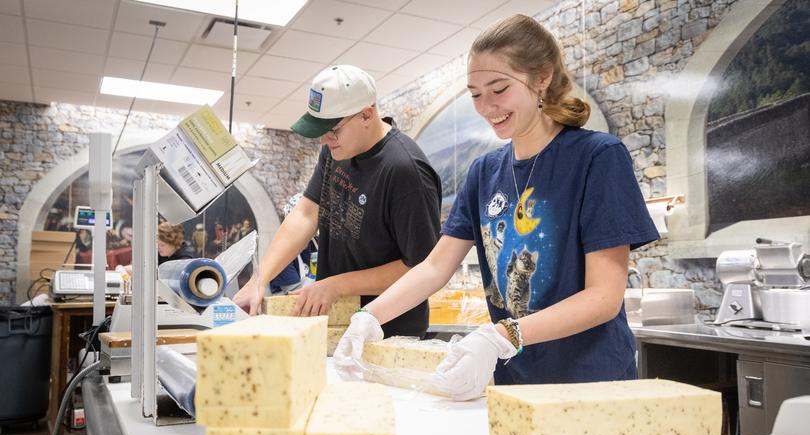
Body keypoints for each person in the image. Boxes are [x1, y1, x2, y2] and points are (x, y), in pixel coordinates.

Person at [335, 15, 659, 400]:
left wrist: (502, 335)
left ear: (541, 78)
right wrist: (369, 318)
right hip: (515, 383)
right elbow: (436, 266)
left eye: (499, 89)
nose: (487, 107)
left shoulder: (597, 158)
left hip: (590, 382)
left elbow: (604, 297)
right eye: (474, 94)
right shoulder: (485, 172)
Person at [233, 64, 442, 338]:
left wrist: (337, 285)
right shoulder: (336, 152)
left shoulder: (405, 171)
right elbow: (306, 215)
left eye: (333, 130)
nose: (324, 139)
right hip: (336, 321)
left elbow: (423, 269)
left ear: (366, 114)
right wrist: (260, 280)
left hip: (387, 330)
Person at [121, 222, 194, 274]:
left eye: (162, 245)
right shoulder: (160, 253)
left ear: (175, 243)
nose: (158, 248)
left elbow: (163, 273)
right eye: (157, 244)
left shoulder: (184, 259)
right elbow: (143, 267)